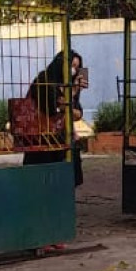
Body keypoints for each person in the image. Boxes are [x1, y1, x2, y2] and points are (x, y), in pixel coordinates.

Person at [22, 50, 87, 186]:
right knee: (42, 182)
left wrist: (71, 98)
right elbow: (52, 109)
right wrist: (68, 102)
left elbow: (78, 113)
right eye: (72, 66)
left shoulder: (68, 86)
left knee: (66, 178)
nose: (74, 71)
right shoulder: (44, 80)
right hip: (42, 140)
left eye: (77, 67)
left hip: (62, 138)